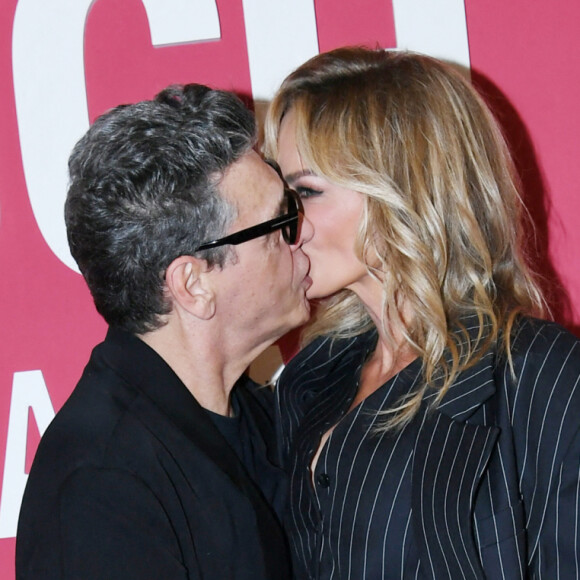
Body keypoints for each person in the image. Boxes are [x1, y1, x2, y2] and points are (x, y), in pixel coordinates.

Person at [263, 47, 580, 579]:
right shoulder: (314, 375)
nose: (285, 221)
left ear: (402, 189)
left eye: (306, 192)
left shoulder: (540, 374)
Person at [16, 83, 313, 579]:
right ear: (192, 284)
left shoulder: (261, 416)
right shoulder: (103, 487)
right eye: (280, 221)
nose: (302, 237)